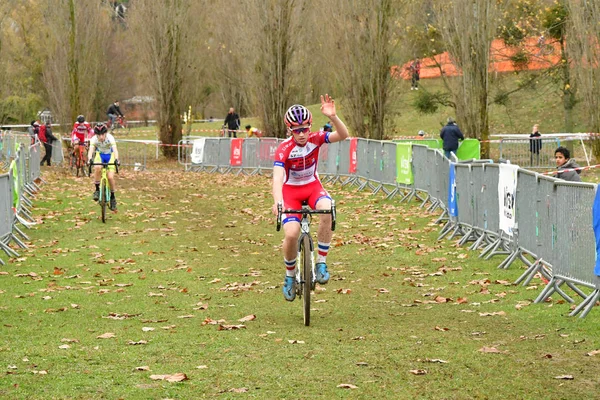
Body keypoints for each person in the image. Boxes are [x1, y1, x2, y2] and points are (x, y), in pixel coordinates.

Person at [272, 95, 349, 301]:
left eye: (305, 128)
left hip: (312, 187)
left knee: (328, 208)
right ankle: (289, 276)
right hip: (291, 192)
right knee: (291, 233)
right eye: (297, 130)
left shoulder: (315, 138)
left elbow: (343, 135)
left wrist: (333, 117)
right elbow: (278, 178)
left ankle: (321, 261)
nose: (302, 134)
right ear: (290, 130)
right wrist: (278, 202)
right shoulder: (284, 149)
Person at [88, 123, 120, 211]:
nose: (101, 137)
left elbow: (115, 150)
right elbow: (91, 150)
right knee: (97, 167)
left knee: (110, 177)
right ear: (96, 134)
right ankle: (97, 190)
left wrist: (116, 159)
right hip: (100, 155)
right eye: (98, 135)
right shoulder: (94, 139)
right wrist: (89, 159)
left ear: (105, 133)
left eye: (102, 134)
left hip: (110, 155)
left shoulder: (110, 138)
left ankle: (113, 198)